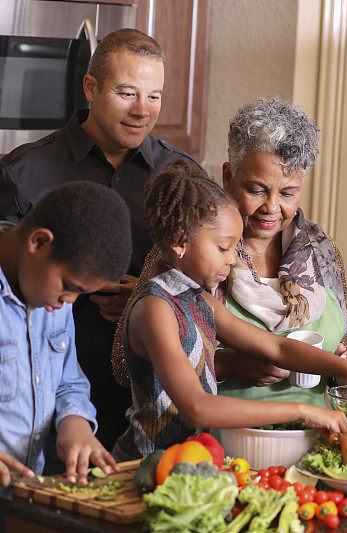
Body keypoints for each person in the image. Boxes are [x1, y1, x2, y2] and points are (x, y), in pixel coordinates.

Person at [111, 160, 347, 460]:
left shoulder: (199, 300)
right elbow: (197, 408)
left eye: (236, 248)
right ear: (181, 242)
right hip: (142, 464)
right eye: (223, 248)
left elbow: (277, 347)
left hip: (186, 461)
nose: (233, 260)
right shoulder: (156, 308)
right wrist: (305, 411)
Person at [0, 29, 199, 451]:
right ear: (91, 87)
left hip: (154, 417)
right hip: (41, 417)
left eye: (155, 96)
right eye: (128, 93)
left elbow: (212, 287)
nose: (142, 110)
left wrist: (150, 301)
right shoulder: (21, 174)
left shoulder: (183, 178)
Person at [215, 96, 347, 408]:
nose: (271, 207)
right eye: (256, 190)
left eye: (287, 193)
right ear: (228, 177)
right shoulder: (198, 243)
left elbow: (345, 342)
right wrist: (226, 364)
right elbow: (127, 364)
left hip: (312, 437)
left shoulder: (320, 251)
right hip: (221, 445)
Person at [0, 181, 132, 488]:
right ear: (39, 242)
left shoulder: (49, 295)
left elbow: (67, 381)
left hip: (25, 493)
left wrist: (75, 424)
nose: (69, 302)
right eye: (69, 287)